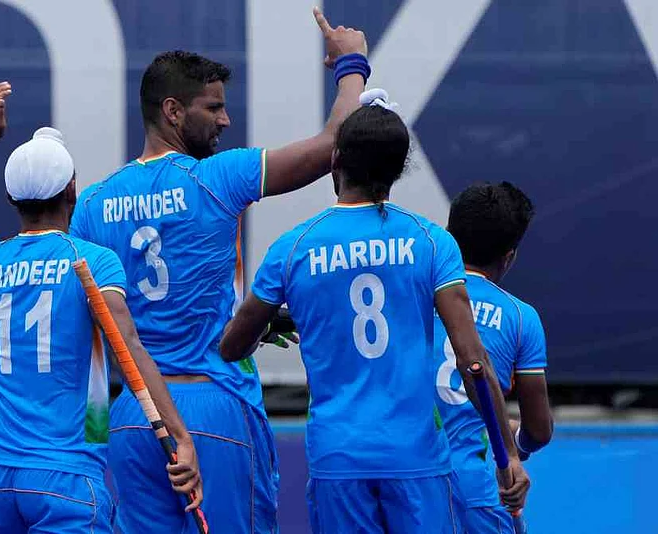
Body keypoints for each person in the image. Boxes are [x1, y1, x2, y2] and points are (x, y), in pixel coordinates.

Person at [68, 7, 368, 532]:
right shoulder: (217, 178)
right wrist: (352, 66)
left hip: (135, 415)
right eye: (213, 107)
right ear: (173, 111)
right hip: (213, 407)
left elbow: (104, 316)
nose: (225, 120)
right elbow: (334, 147)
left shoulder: (91, 206)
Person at [219, 89, 530, 534]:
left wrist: (267, 324)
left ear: (335, 160)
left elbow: (232, 347)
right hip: (417, 459)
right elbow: (473, 362)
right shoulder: (432, 242)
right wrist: (508, 457)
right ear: (398, 170)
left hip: (338, 459)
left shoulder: (293, 248)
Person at [0, 81, 201, 533]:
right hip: (65, 475)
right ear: (72, 190)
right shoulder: (91, 262)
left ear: (10, 198)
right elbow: (128, 348)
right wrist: (181, 438)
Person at [435, 182, 553, 533]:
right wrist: (516, 446)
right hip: (477, 487)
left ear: (448, 236)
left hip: (409, 481)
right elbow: (538, 430)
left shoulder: (413, 298)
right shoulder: (521, 317)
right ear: (509, 257)